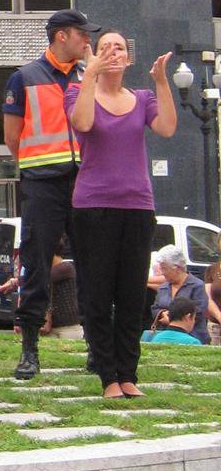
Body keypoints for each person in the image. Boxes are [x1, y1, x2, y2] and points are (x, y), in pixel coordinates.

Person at [65, 33, 177, 399]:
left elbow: (167, 128)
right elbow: (82, 123)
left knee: (132, 296)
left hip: (137, 207)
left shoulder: (142, 99)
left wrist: (161, 82)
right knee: (98, 296)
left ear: (129, 59)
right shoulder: (77, 92)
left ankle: (128, 375)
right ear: (94, 56)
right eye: (105, 48)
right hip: (93, 207)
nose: (114, 52)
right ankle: (108, 377)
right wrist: (89, 75)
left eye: (120, 48)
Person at [2, 8, 96, 380]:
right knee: (36, 265)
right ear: (61, 36)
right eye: (82, 34)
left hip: (85, 180)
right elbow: (12, 138)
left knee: (92, 265)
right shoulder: (24, 77)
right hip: (42, 183)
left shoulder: (88, 75)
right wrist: (39, 163)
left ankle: (96, 347)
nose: (87, 40)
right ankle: (29, 350)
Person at [149, 245, 210, 345]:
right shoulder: (163, 287)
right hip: (165, 338)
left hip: (193, 339)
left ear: (177, 268)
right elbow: (155, 308)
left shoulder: (197, 286)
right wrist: (162, 314)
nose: (162, 273)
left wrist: (172, 320)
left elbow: (198, 311)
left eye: (164, 268)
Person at [143, 295, 207, 345]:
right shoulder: (193, 343)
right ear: (188, 317)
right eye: (194, 318)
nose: (194, 322)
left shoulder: (156, 338)